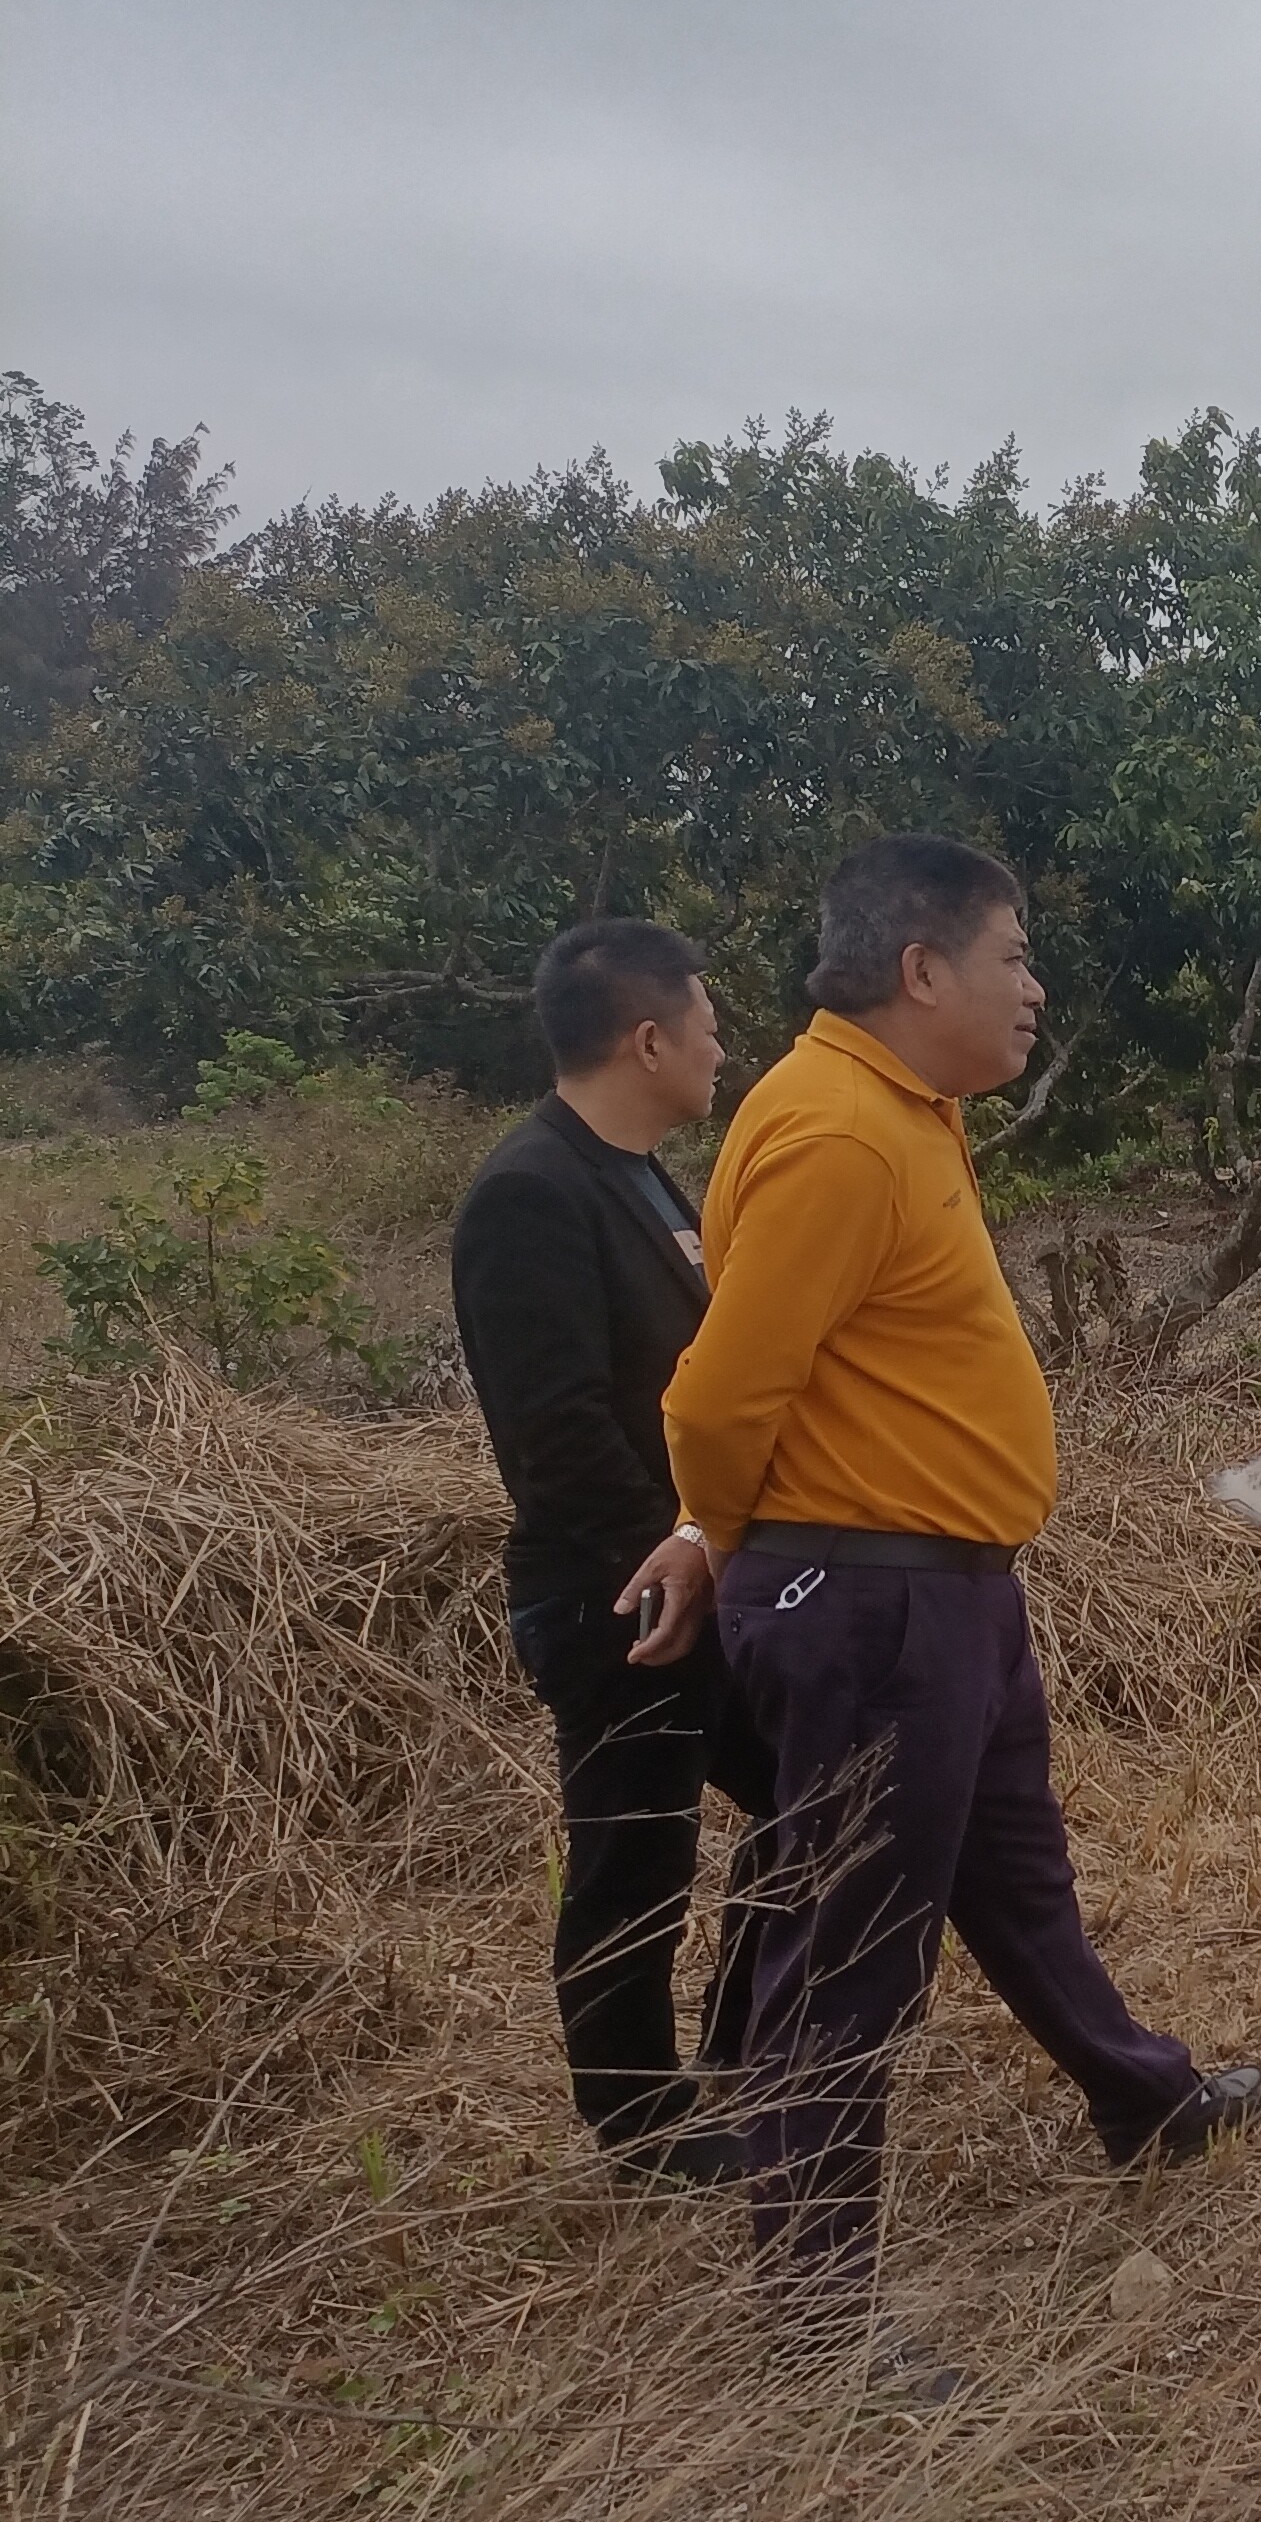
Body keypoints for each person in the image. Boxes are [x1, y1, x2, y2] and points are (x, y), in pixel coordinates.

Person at [664, 831, 1261, 2397]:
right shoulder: (837, 1134)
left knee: (1014, 1879)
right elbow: (721, 1394)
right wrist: (717, 1535)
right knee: (851, 1954)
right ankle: (818, 2320)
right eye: (1015, 955)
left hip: (943, 1596)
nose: (1035, 986)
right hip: (874, 1601)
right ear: (922, 970)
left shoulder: (898, 1112)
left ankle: (1142, 2098)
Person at [449, 917, 771, 2187]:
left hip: (691, 1570)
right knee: (633, 1856)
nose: (719, 1049)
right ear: (647, 1040)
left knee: (813, 1791)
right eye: (707, 1026)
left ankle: (748, 2042)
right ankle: (637, 2125)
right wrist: (672, 1555)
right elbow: (557, 1434)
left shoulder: (638, 1176)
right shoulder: (530, 1193)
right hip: (614, 1597)